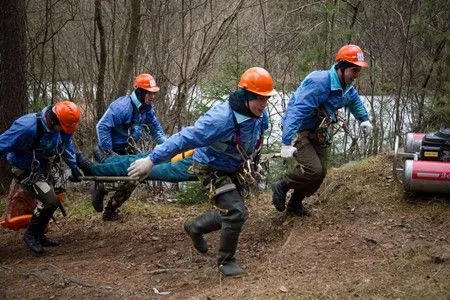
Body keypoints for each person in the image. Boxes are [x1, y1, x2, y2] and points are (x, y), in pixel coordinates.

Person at [126, 67, 276, 276]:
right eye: (259, 98)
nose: (264, 104)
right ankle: (226, 262)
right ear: (246, 95)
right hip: (211, 167)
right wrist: (151, 160)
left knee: (236, 213)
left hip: (235, 165)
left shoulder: (260, 113)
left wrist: (255, 160)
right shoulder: (219, 120)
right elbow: (184, 138)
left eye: (266, 99)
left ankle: (196, 226)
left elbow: (258, 136)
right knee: (236, 212)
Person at [271, 44, 373, 217]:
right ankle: (282, 184)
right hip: (299, 129)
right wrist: (286, 142)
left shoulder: (346, 87)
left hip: (317, 131)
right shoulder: (320, 83)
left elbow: (353, 100)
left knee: (321, 173)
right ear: (341, 67)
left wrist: (364, 119)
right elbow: (297, 111)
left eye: (358, 71)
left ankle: (295, 204)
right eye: (353, 70)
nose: (356, 75)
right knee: (313, 169)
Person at [0, 100, 82, 254]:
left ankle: (39, 234)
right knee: (50, 200)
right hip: (24, 170)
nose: (64, 131)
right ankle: (30, 234)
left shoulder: (62, 126)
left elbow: (66, 144)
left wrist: (74, 166)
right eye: (63, 128)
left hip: (41, 168)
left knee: (53, 200)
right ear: (53, 119)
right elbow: (2, 144)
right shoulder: (26, 127)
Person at [92, 73, 167, 221]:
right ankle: (101, 187)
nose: (152, 96)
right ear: (140, 92)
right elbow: (102, 126)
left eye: (154, 93)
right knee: (116, 178)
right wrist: (108, 151)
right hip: (108, 149)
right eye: (149, 93)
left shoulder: (147, 109)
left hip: (126, 148)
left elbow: (156, 130)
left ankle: (110, 210)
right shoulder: (122, 106)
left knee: (135, 176)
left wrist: (168, 147)